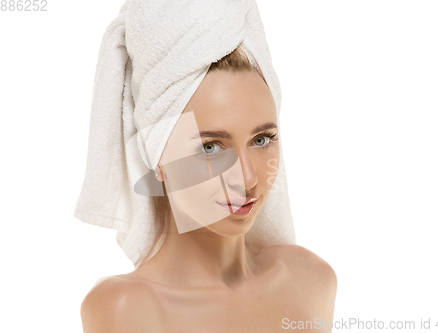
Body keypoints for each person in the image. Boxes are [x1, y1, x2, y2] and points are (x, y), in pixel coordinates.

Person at [80, 46, 337, 332]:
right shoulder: (127, 308)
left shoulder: (311, 279)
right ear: (158, 158)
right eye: (210, 147)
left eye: (262, 139)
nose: (248, 178)